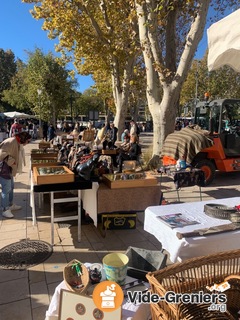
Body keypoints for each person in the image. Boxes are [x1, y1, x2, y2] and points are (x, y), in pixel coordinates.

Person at [0, 131, 32, 218]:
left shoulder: (16, 142)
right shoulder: (11, 142)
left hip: (8, 168)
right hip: (4, 169)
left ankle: (10, 205)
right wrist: (12, 162)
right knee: (6, 190)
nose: (27, 143)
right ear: (23, 139)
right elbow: (1, 154)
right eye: (28, 141)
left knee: (11, 187)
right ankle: (5, 209)